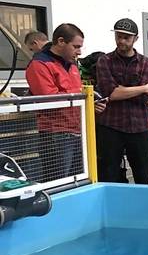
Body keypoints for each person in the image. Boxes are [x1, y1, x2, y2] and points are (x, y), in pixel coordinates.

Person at [26, 23, 105, 179]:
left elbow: (75, 93)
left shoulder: (72, 65)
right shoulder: (39, 65)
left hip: (77, 130)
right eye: (75, 46)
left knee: (80, 179)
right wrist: (81, 98)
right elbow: (50, 99)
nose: (79, 52)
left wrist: (90, 104)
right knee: (59, 181)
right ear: (61, 42)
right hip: (56, 134)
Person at [95, 18, 148, 184]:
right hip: (111, 125)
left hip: (139, 126)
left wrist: (123, 91)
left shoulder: (146, 63)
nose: (121, 41)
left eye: (126, 37)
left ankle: (142, 208)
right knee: (108, 173)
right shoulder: (104, 61)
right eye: (119, 36)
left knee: (144, 173)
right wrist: (143, 88)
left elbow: (147, 97)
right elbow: (111, 92)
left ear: (135, 39)